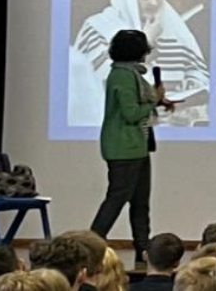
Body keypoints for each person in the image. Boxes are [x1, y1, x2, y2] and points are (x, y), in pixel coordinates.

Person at [69, 0, 209, 127]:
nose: (154, 3)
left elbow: (196, 69)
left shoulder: (172, 27)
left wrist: (193, 81)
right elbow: (109, 81)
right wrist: (146, 42)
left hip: (172, 126)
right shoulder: (99, 27)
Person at [89, 30, 178, 269]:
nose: (146, 53)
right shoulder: (123, 76)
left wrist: (159, 100)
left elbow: (138, 105)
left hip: (137, 147)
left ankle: (143, 251)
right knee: (117, 199)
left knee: (140, 202)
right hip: (124, 148)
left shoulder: (132, 75)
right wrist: (153, 100)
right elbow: (131, 113)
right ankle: (90, 248)